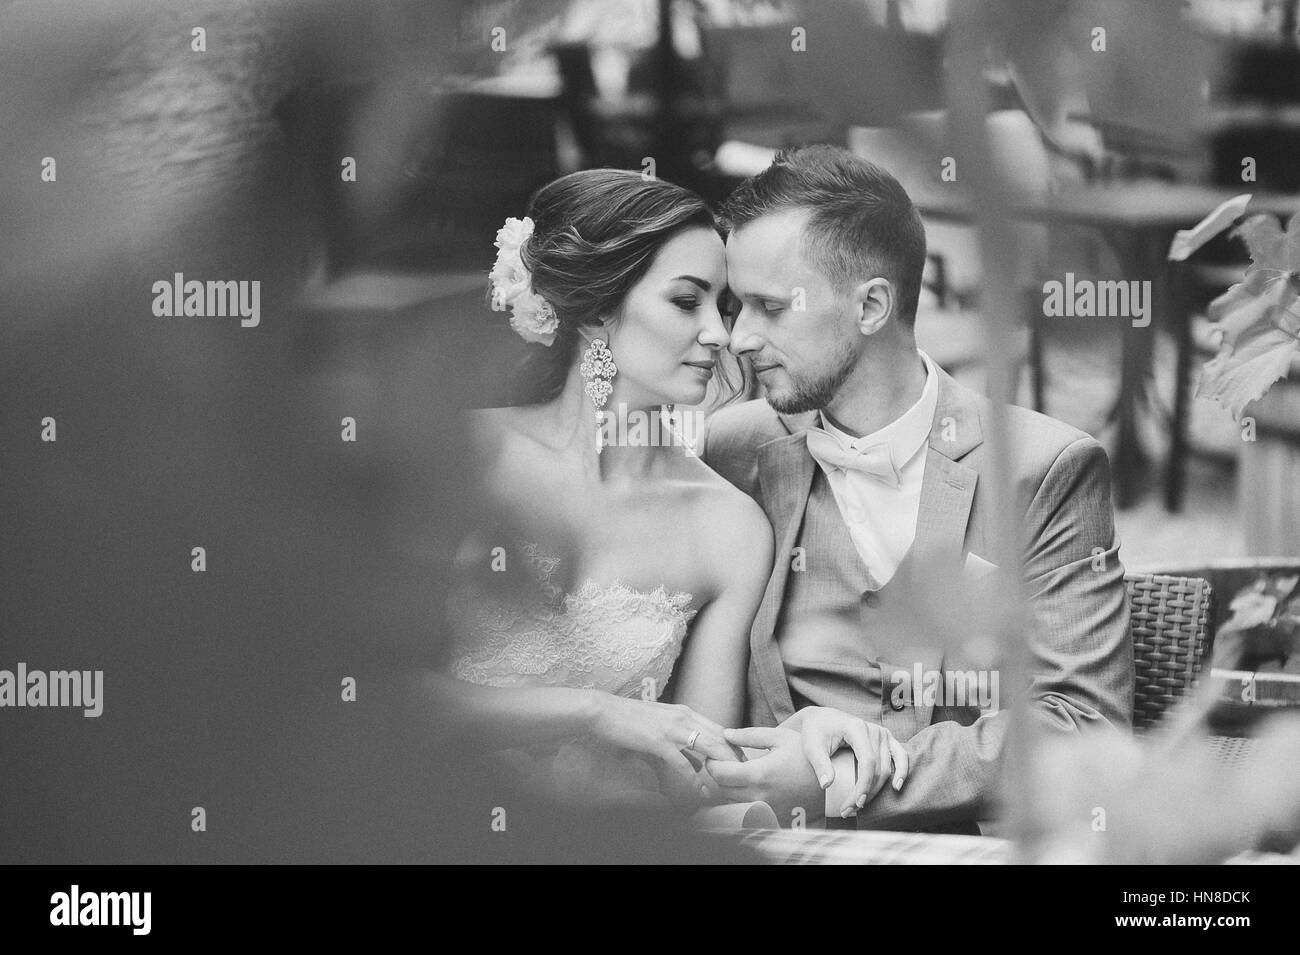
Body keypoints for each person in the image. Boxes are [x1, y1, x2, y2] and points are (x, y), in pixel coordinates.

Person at [435, 168, 904, 813]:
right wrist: (592, 713)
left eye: (726, 307)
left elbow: (700, 773)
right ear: (599, 310)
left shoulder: (729, 528)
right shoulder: (461, 459)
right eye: (688, 302)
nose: (722, 334)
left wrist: (801, 736)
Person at [701, 144, 1135, 830]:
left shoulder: (1045, 467)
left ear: (871, 304)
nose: (740, 338)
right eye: (735, 306)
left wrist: (843, 780)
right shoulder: (734, 449)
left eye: (770, 307)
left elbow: (1083, 723)